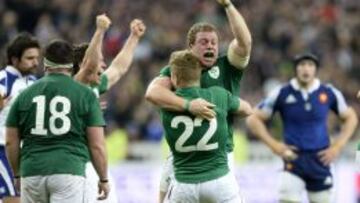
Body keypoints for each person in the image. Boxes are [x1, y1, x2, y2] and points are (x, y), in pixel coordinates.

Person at [145, 0, 252, 201]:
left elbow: (245, 43)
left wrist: (228, 7)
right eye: (204, 42)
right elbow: (152, 93)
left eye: (213, 42)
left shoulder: (226, 66)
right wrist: (189, 105)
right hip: (185, 157)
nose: (210, 46)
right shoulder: (177, 70)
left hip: (220, 156)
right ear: (190, 46)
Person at [5, 39, 109, 203]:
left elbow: (11, 141)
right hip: (69, 170)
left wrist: (17, 173)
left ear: (45, 65)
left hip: (32, 171)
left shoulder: (25, 94)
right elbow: (96, 144)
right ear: (72, 65)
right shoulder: (85, 95)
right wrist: (103, 178)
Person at [246, 53, 358, 203]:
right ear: (296, 69)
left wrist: (338, 146)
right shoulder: (282, 93)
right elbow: (253, 118)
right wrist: (274, 145)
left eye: (310, 65)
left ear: (316, 70)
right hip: (294, 160)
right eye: (302, 65)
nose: (306, 69)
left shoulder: (328, 92)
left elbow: (351, 118)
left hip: (320, 161)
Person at [161, 50, 251, 202]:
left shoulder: (166, 103)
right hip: (219, 181)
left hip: (184, 185)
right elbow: (247, 109)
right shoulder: (219, 95)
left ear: (174, 78)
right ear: (200, 74)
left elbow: (154, 94)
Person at [73, 15, 146, 203]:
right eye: (100, 61)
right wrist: (100, 31)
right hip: (76, 166)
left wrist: (134, 38)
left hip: (89, 166)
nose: (104, 65)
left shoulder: (93, 88)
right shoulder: (72, 88)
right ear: (85, 65)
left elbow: (119, 68)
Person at [0, 32, 40, 203]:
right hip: (3, 150)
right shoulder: (5, 78)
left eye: (37, 58)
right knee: (13, 200)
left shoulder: (33, 81)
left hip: (27, 152)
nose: (36, 62)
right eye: (29, 58)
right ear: (15, 60)